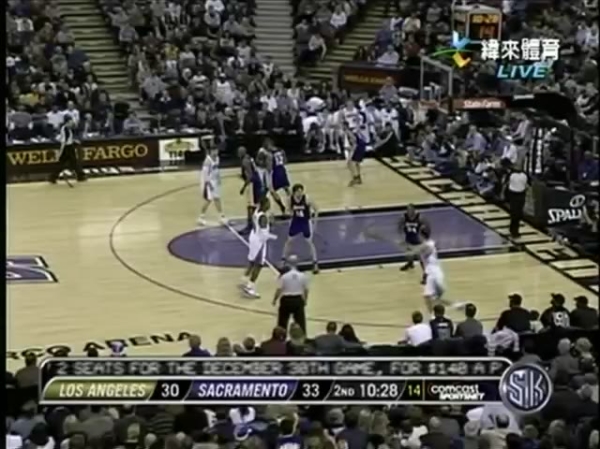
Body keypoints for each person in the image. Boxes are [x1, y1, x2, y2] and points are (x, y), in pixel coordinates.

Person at [419, 225, 463, 314]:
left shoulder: (426, 245)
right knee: (433, 299)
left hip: (433, 274)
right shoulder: (430, 243)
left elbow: (417, 252)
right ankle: (455, 305)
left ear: (421, 235)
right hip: (435, 272)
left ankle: (434, 315)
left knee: (428, 298)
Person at [240, 197, 276, 298]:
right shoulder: (263, 217)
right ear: (264, 205)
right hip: (259, 242)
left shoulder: (256, 211)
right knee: (259, 265)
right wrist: (273, 236)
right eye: (268, 204)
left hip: (253, 237)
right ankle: (250, 286)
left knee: (252, 261)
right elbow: (264, 234)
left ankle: (244, 279)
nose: (269, 205)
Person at [282, 183, 319, 273]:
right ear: (294, 192)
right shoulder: (290, 199)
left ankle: (315, 263)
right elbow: (287, 210)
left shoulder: (306, 198)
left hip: (305, 222)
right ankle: (283, 260)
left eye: (301, 191)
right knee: (289, 241)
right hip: (296, 222)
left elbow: (316, 209)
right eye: (298, 191)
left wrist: (315, 221)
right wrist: (289, 213)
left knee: (309, 242)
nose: (300, 193)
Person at [272, 254, 309, 333]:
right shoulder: (302, 276)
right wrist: (305, 300)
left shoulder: (284, 276)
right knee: (300, 323)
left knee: (282, 323)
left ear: (288, 263)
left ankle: (280, 337)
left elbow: (279, 289)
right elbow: (306, 290)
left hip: (286, 300)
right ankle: (302, 337)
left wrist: (274, 300)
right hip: (298, 300)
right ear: (297, 263)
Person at [49, 114, 86, 184]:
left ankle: (80, 176)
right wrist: (60, 152)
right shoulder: (65, 129)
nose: (72, 123)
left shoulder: (68, 129)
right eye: (71, 121)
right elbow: (63, 142)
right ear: (67, 122)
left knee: (73, 162)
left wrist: (74, 141)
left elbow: (69, 138)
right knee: (64, 163)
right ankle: (53, 177)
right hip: (66, 148)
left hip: (70, 147)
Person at [197, 146, 228, 226]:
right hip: (207, 182)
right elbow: (205, 174)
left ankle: (221, 216)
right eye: (214, 151)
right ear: (210, 152)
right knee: (208, 200)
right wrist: (209, 184)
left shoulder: (217, 158)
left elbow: (216, 170)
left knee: (217, 198)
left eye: (216, 150)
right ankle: (201, 217)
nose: (215, 152)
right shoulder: (207, 161)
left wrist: (219, 179)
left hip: (215, 181)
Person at [239, 146, 266, 234]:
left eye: (239, 152)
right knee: (254, 205)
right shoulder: (249, 158)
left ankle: (250, 225)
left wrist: (243, 188)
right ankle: (257, 222)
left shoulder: (245, 161)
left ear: (243, 152)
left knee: (250, 206)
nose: (238, 154)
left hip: (252, 184)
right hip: (257, 182)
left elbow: (250, 176)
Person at [399, 204, 427, 284]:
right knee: (408, 253)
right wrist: (401, 235)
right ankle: (410, 264)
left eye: (410, 210)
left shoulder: (419, 217)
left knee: (420, 258)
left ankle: (426, 274)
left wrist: (423, 234)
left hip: (417, 240)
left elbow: (424, 227)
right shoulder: (404, 217)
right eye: (408, 210)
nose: (409, 211)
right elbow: (400, 226)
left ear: (414, 210)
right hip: (408, 238)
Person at [505, 165, 529, 239]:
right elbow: (527, 186)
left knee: (516, 214)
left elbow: (507, 183)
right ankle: (514, 230)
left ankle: (513, 229)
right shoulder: (518, 175)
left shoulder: (516, 175)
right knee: (516, 214)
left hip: (517, 194)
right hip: (517, 194)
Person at [344, 121, 367, 186]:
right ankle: (358, 178)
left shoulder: (348, 131)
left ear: (345, 126)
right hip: (362, 145)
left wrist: (352, 151)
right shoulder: (350, 131)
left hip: (358, 146)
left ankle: (355, 178)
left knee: (349, 163)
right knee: (357, 163)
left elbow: (354, 141)